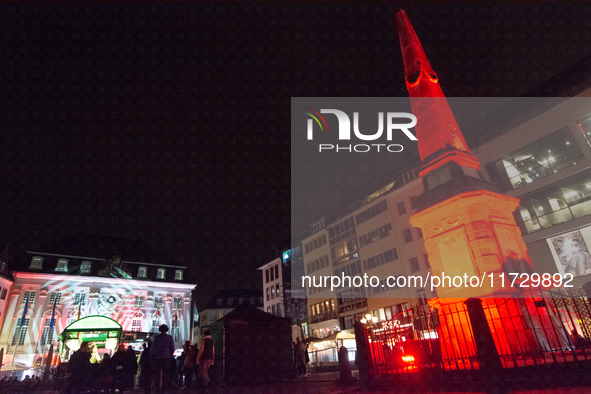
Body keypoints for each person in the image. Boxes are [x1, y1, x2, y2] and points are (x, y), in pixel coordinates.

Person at [151, 324, 176, 393]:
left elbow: (153, 348)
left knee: (157, 374)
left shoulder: (157, 338)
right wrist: (170, 356)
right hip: (166, 358)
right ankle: (164, 388)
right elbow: (172, 348)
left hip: (158, 358)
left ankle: (158, 387)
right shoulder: (169, 338)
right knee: (165, 374)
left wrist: (153, 356)